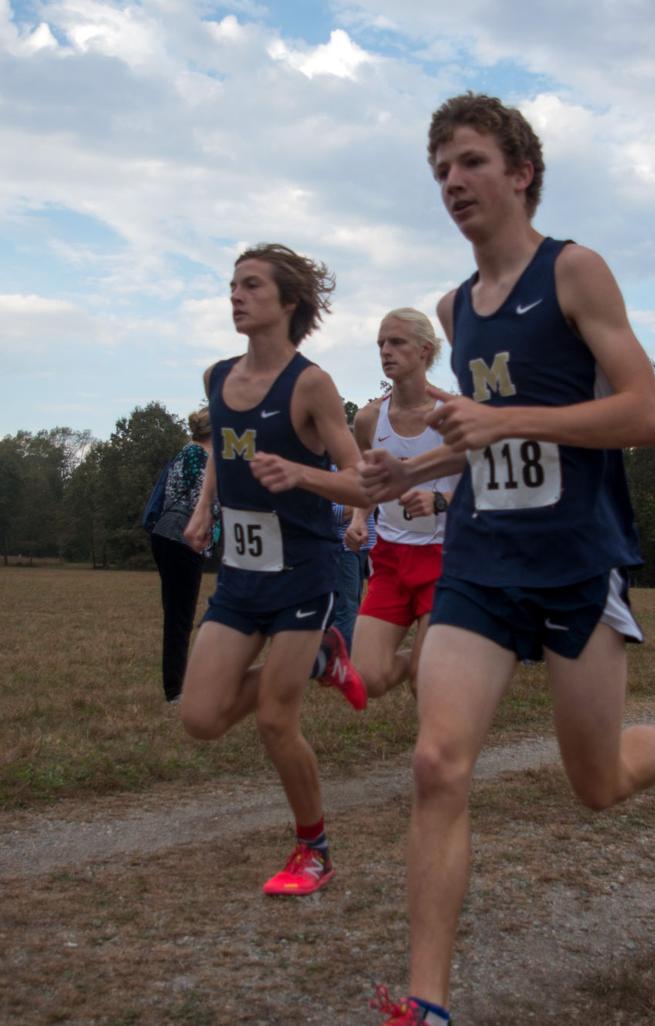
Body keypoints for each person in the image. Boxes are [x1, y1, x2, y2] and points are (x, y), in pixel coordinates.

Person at [359, 93, 655, 1026]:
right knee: (438, 763)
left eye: (472, 162)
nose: (454, 181)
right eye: (441, 168)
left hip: (578, 563)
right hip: (483, 563)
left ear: (521, 171)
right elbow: (486, 445)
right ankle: (428, 1002)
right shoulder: (456, 309)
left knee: (597, 783)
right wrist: (410, 466)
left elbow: (647, 416)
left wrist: (504, 419)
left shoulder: (574, 271)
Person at [180, 243, 368, 897]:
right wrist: (205, 509)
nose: (236, 295)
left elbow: (361, 483)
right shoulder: (218, 377)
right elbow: (220, 457)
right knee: (200, 717)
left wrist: (300, 474)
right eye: (232, 284)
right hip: (238, 575)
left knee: (273, 721)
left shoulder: (310, 384)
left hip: (303, 573)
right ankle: (320, 661)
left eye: (252, 285)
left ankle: (313, 849)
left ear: (288, 303)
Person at [349, 308, 461, 700]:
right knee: (366, 679)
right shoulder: (367, 419)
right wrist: (360, 518)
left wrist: (440, 500)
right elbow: (368, 484)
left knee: (424, 683)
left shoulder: (451, 414)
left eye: (396, 342)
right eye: (381, 342)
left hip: (445, 558)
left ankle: (436, 663)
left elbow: (484, 486)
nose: (385, 350)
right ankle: (439, 657)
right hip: (391, 559)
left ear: (425, 350)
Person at [149, 408, 217, 703]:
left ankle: (176, 684)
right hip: (181, 538)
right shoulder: (198, 456)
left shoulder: (190, 452)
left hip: (171, 536)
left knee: (178, 613)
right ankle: (175, 689)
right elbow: (202, 502)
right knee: (180, 615)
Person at [330, 475, 376, 652]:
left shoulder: (360, 469)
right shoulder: (330, 470)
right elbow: (332, 514)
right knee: (346, 608)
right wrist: (363, 502)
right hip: (343, 547)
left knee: (354, 604)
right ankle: (342, 660)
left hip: (364, 545)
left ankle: (343, 655)